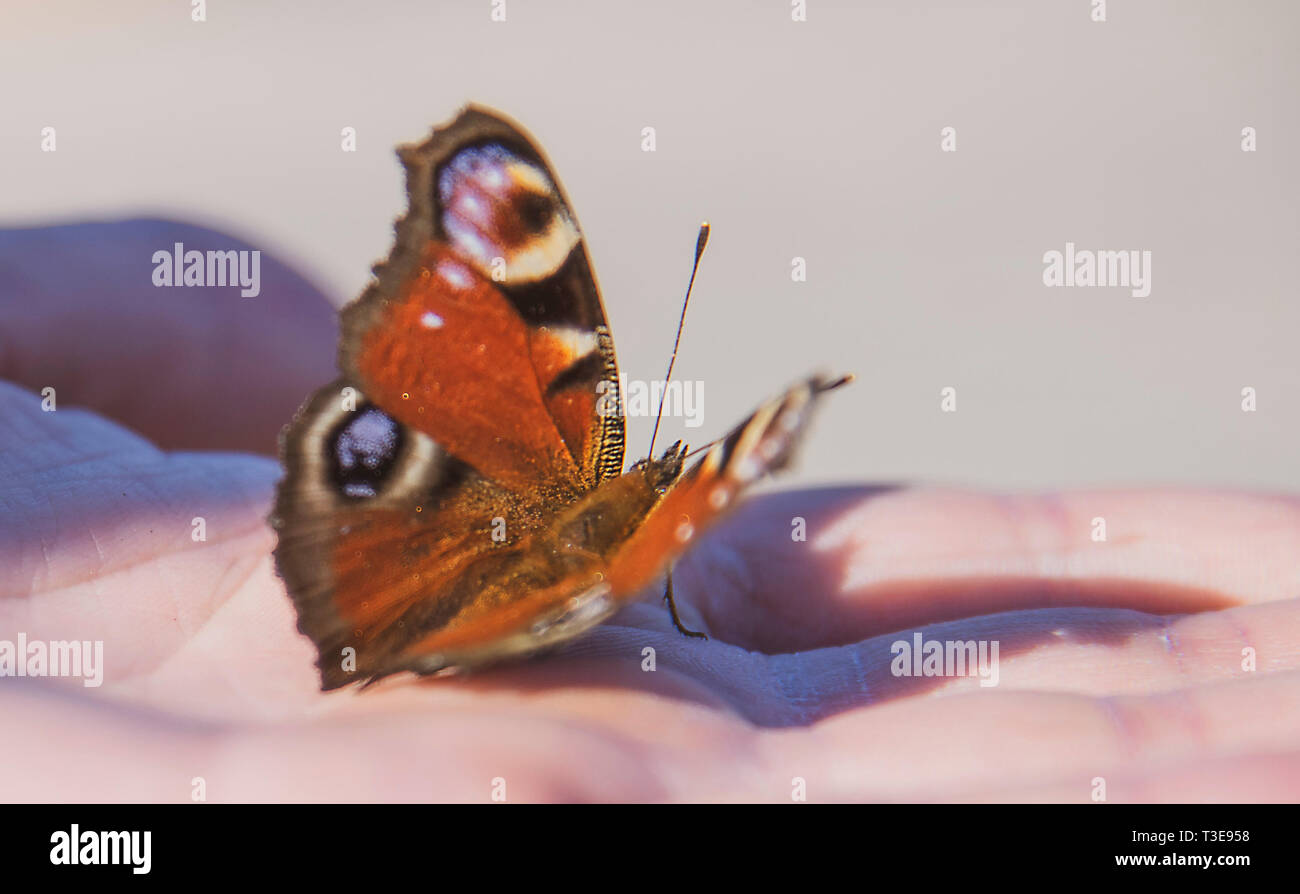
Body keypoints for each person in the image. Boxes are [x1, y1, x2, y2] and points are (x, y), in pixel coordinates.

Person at [1, 220, 1296, 802]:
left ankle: (394, 590)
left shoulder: (595, 446)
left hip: (422, 550)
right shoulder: (648, 491)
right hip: (515, 593)